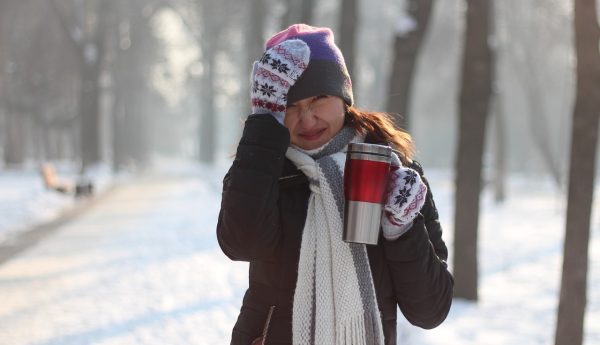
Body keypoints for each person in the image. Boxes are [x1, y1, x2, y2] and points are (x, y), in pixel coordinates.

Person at [217, 23, 453, 345]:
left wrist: (402, 229)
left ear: (344, 96)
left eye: (319, 99)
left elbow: (430, 310)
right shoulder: (262, 167)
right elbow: (241, 244)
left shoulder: (395, 173)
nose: (307, 119)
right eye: (290, 106)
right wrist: (263, 127)